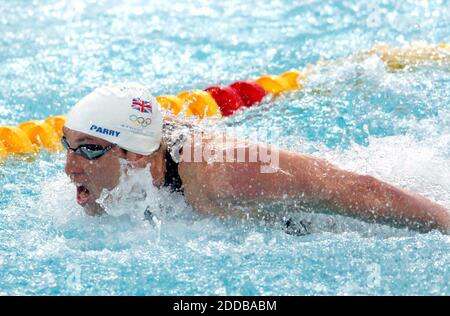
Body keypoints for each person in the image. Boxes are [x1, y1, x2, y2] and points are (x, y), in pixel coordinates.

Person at [62, 83, 449, 234]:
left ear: (135, 155)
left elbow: (356, 189)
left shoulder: (223, 172)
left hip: (318, 216)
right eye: (67, 144)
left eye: (89, 149)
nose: (70, 167)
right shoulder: (110, 183)